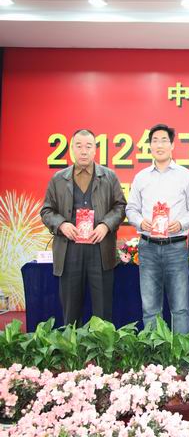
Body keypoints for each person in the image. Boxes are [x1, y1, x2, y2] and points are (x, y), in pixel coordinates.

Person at [41, 129, 126, 325]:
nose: (84, 151)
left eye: (88, 146)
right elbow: (46, 211)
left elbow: (120, 207)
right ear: (72, 149)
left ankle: (102, 345)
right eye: (78, 146)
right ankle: (72, 344)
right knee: (70, 310)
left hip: (100, 250)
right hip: (69, 250)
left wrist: (105, 225)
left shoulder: (109, 177)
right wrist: (62, 224)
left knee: (103, 311)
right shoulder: (58, 179)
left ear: (95, 150)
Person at [126, 123, 189, 334]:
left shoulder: (185, 175)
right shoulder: (141, 177)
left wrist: (181, 223)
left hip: (176, 247)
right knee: (150, 308)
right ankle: (154, 350)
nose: (159, 145)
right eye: (155, 141)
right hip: (148, 247)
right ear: (149, 146)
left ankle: (180, 351)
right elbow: (131, 209)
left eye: (164, 141)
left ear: (172, 145)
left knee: (180, 308)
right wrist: (141, 222)